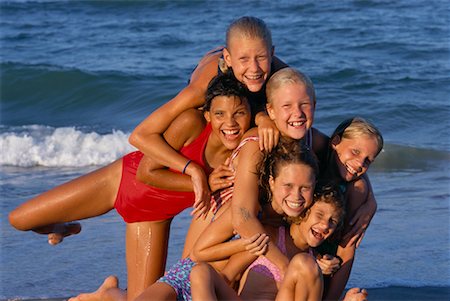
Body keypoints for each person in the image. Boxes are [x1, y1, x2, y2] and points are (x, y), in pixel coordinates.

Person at [8, 72, 253, 301]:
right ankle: (63, 226)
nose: (230, 123)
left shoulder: (245, 144)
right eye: (220, 114)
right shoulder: (191, 122)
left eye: (239, 113)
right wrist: (201, 178)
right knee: (19, 219)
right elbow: (148, 173)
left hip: (151, 219)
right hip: (123, 182)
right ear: (208, 114)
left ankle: (108, 292)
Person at [128, 16, 289, 220]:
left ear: (272, 54)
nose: (255, 68)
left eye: (262, 57)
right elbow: (139, 135)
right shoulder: (201, 88)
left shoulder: (281, 75)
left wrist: (263, 117)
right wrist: (193, 170)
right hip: (212, 67)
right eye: (244, 59)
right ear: (229, 58)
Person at [134, 138, 320, 301]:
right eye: (288, 185)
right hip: (187, 278)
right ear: (272, 182)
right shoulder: (249, 210)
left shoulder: (289, 221)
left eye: (304, 187)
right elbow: (197, 254)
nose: (296, 196)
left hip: (218, 289)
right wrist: (248, 243)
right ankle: (110, 293)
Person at [190, 183, 364, 301]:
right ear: (303, 212)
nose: (325, 225)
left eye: (333, 221)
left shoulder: (314, 264)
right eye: (319, 215)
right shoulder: (269, 238)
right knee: (201, 271)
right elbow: (228, 277)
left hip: (306, 266)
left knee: (304, 263)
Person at [314, 117, 383, 300]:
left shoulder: (357, 189)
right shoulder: (314, 155)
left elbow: (347, 247)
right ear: (336, 142)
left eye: (368, 160)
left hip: (327, 263)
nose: (360, 163)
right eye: (355, 152)